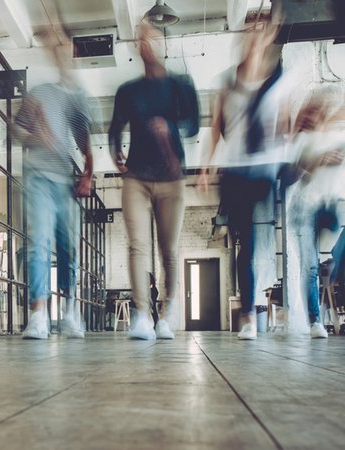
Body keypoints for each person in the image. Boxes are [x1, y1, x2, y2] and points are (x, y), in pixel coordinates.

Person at [199, 22, 292, 340]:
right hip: (236, 169)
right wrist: (204, 166)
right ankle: (249, 316)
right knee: (246, 244)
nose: (251, 42)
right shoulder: (225, 81)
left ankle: (257, 309)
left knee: (260, 242)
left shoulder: (278, 81)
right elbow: (215, 127)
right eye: (247, 37)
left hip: (264, 169)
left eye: (258, 37)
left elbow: (286, 124)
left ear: (265, 42)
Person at [108, 25, 200, 340]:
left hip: (172, 178)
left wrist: (169, 126)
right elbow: (115, 126)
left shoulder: (180, 85)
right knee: (136, 245)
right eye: (140, 37)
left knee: (168, 249)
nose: (145, 42)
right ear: (136, 46)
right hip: (137, 176)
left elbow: (192, 126)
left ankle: (168, 311)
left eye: (151, 37)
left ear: (163, 43)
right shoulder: (127, 91)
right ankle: (142, 316)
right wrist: (114, 151)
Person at [14, 29, 94, 340]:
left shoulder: (78, 96)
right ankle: (38, 314)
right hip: (37, 176)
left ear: (71, 52)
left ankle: (70, 311)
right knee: (39, 243)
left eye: (63, 46)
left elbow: (84, 138)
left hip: (65, 181)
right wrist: (33, 135)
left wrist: (88, 173)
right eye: (54, 46)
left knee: (68, 249)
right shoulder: (38, 92)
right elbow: (16, 130)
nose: (58, 51)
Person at [288, 88, 345, 338]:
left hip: (330, 208)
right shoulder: (303, 141)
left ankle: (329, 297)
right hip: (304, 210)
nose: (318, 115)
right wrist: (320, 160)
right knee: (310, 267)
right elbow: (298, 173)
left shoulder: (338, 136)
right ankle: (315, 321)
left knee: (332, 263)